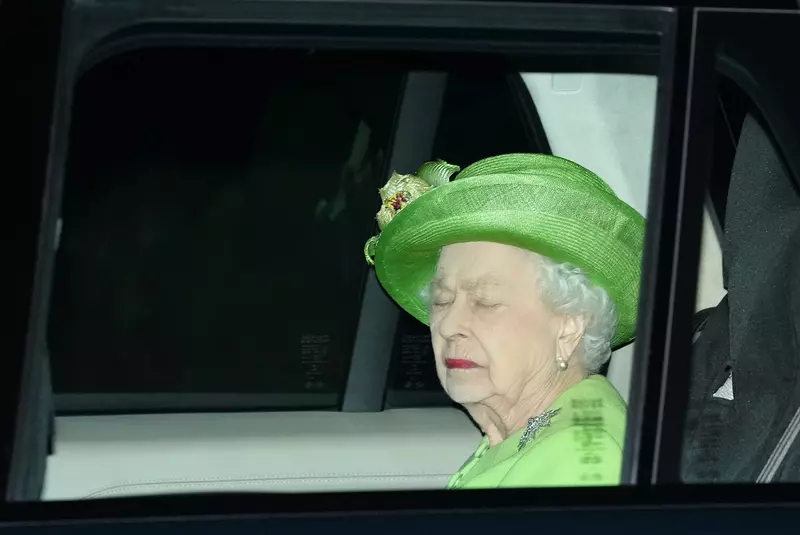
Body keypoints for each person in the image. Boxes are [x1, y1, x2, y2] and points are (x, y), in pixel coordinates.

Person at [364, 153, 645, 489]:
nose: (448, 325)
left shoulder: (578, 459)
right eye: (442, 299)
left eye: (485, 301)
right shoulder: (529, 431)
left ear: (570, 324)